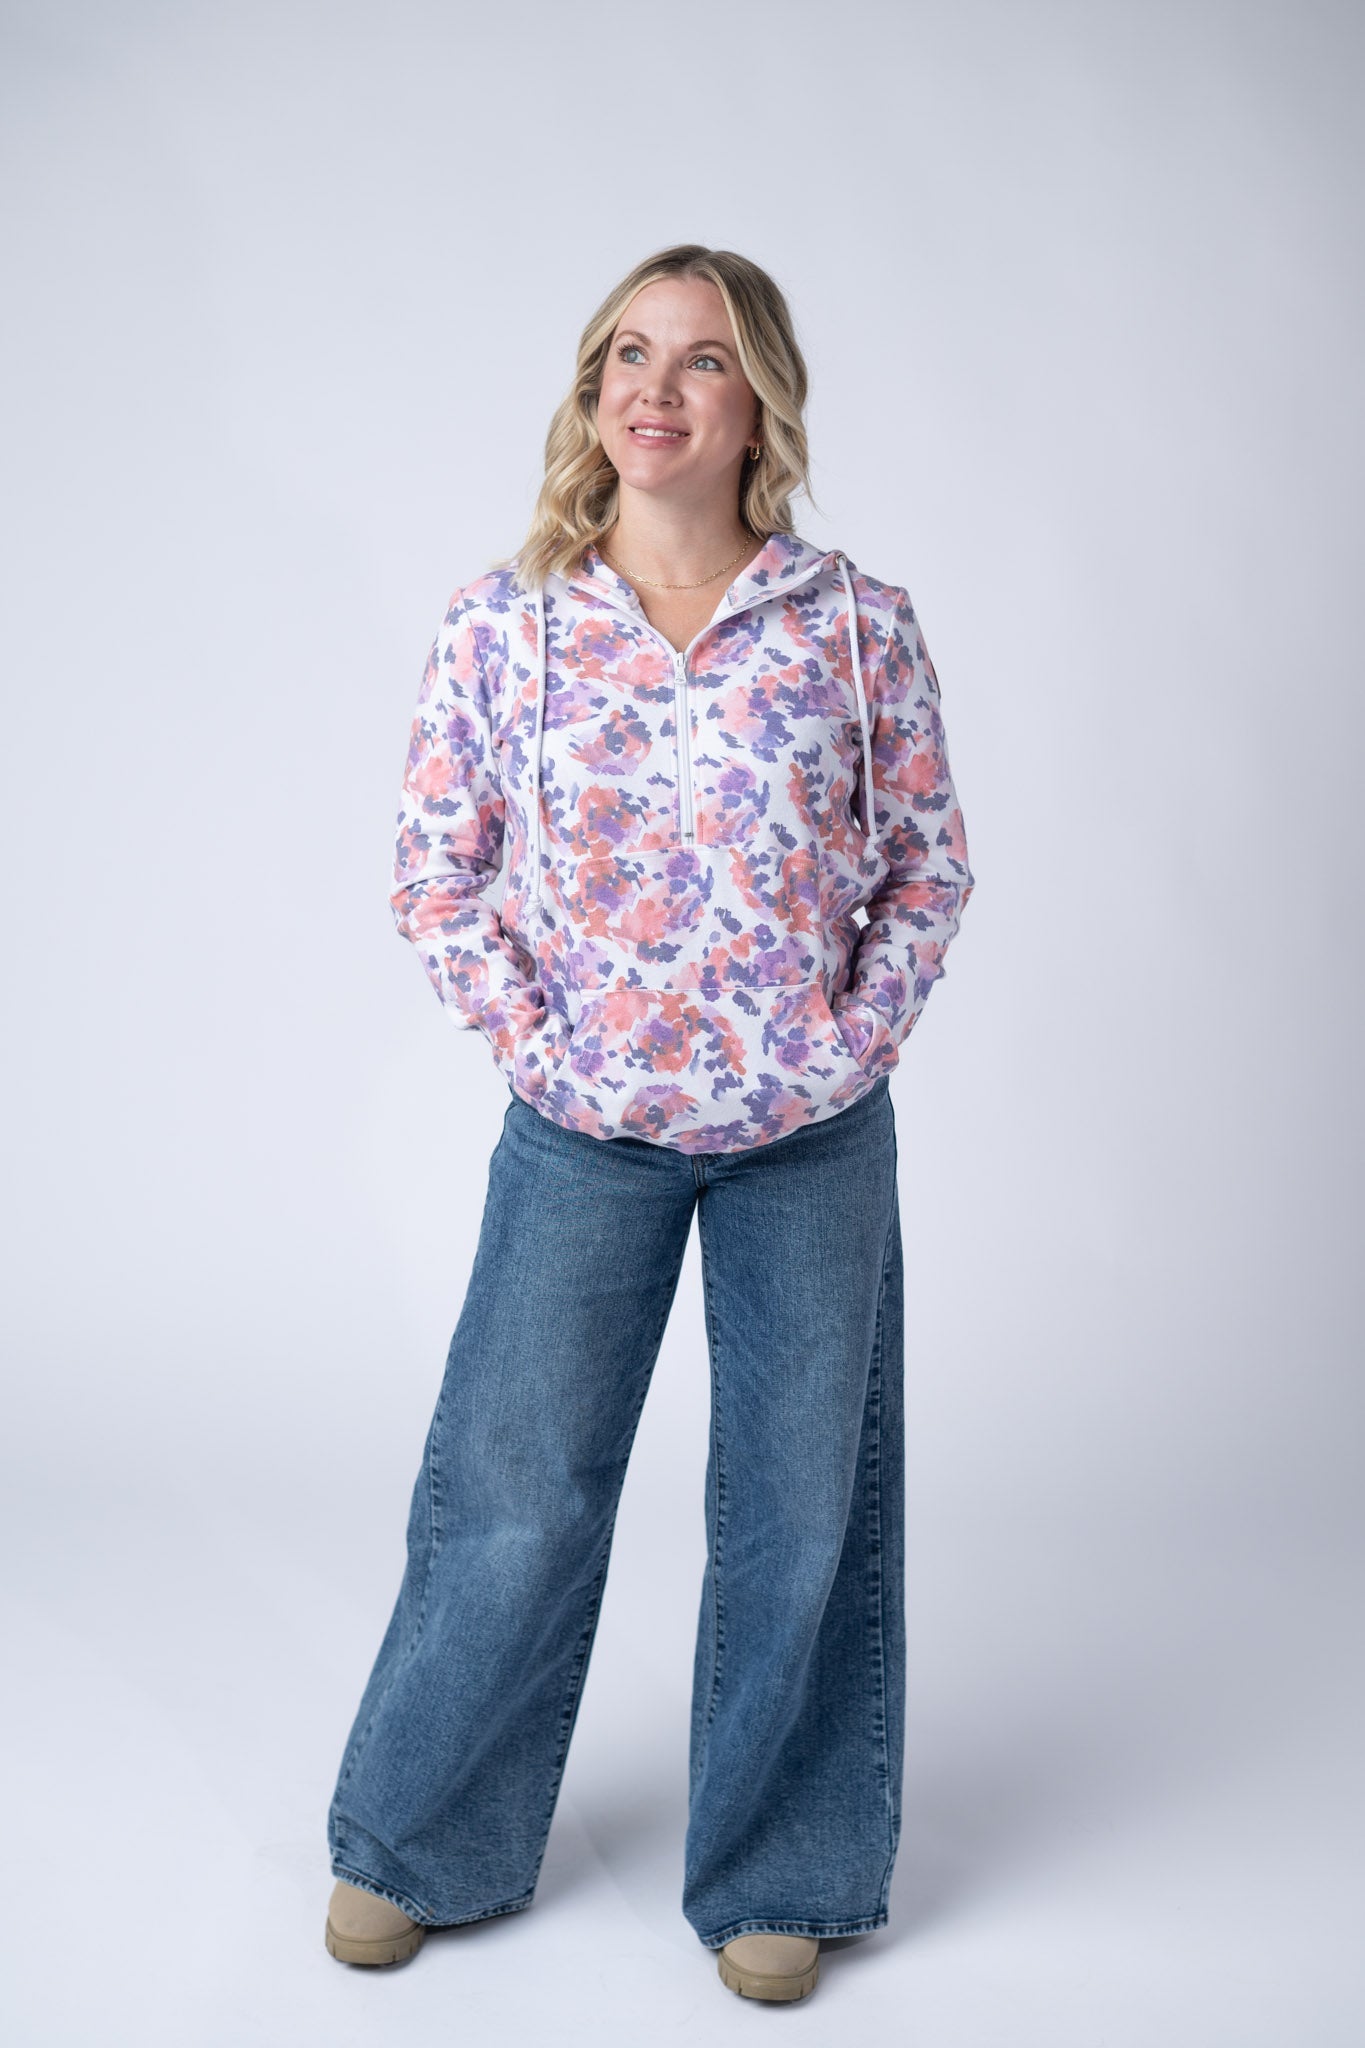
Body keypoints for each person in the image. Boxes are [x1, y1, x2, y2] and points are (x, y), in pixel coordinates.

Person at [323, 242, 975, 2004]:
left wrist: (846, 1044)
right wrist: (540, 1046)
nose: (655, 389)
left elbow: (926, 867)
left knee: (801, 1513)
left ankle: (785, 1870)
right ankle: (419, 1839)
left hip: (807, 1140)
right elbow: (435, 870)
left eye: (699, 358)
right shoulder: (509, 622)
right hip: (582, 1134)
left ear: (757, 399)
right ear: (592, 389)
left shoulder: (854, 625)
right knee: (512, 1493)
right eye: (628, 353)